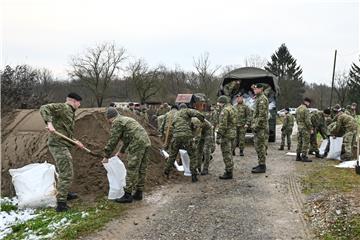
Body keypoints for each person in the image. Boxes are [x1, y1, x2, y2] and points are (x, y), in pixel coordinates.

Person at [39, 93, 85, 212]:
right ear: (74, 101)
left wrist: (75, 141)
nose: (79, 106)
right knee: (67, 172)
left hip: (64, 143)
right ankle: (61, 204)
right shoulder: (64, 107)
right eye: (79, 103)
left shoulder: (70, 112)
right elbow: (44, 108)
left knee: (63, 170)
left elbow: (66, 132)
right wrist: (49, 123)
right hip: (58, 145)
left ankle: (64, 193)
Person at [102, 107, 151, 203]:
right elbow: (128, 138)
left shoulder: (117, 122)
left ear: (109, 118)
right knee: (142, 168)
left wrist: (106, 156)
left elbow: (113, 140)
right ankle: (139, 192)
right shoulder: (126, 119)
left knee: (132, 168)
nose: (109, 122)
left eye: (108, 120)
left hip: (137, 143)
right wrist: (121, 151)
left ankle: (127, 195)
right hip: (146, 142)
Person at [164, 103, 204, 182]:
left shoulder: (175, 115)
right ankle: (193, 175)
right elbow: (196, 113)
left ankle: (166, 172)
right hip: (186, 136)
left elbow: (174, 125)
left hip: (176, 137)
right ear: (185, 108)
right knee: (192, 155)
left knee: (172, 155)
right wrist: (202, 119)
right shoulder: (186, 110)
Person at [216, 95, 237, 179]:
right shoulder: (233, 108)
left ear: (222, 102)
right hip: (233, 134)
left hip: (226, 135)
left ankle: (228, 172)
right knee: (230, 153)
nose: (218, 104)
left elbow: (223, 125)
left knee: (226, 154)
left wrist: (218, 136)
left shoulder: (224, 110)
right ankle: (229, 169)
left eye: (219, 103)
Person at [251, 84, 269, 173]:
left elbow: (262, 116)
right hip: (258, 127)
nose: (255, 90)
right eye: (254, 88)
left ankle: (262, 166)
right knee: (258, 146)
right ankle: (260, 163)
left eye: (256, 88)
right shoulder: (258, 98)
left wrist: (256, 126)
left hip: (261, 127)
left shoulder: (262, 99)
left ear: (261, 89)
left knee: (261, 146)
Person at [295, 97, 313, 162]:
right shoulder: (306, 109)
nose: (309, 104)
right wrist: (311, 128)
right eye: (309, 103)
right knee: (305, 142)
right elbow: (307, 121)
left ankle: (298, 156)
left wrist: (299, 125)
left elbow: (296, 119)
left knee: (299, 142)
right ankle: (304, 156)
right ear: (307, 102)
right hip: (305, 128)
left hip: (299, 127)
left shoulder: (297, 108)